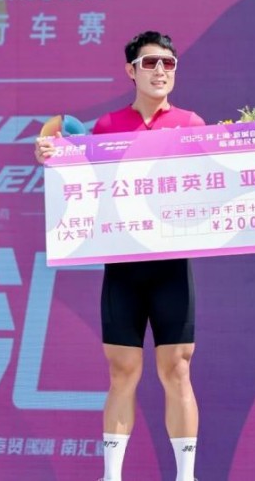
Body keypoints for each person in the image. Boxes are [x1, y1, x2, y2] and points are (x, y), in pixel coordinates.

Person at [35, 31, 204, 481]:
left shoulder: (190, 124)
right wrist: (51, 155)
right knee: (122, 370)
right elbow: (84, 179)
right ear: (131, 70)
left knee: (177, 368)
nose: (160, 71)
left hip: (171, 267)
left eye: (168, 63)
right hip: (124, 267)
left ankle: (185, 476)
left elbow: (214, 181)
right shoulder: (108, 127)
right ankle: (112, 476)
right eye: (150, 63)